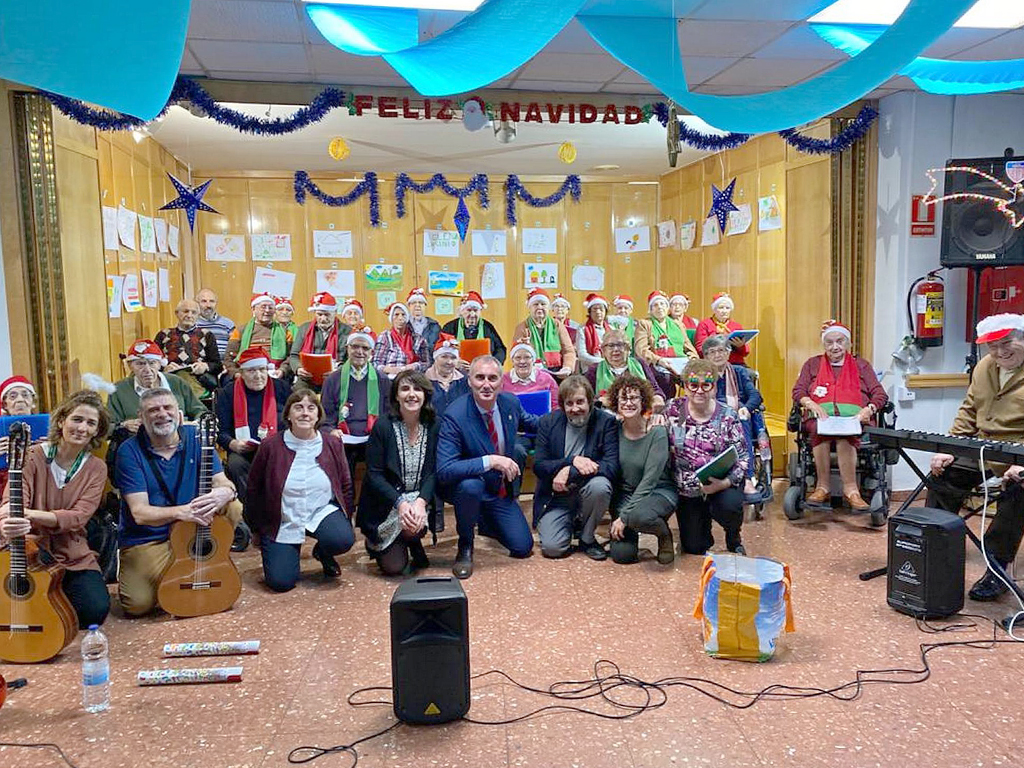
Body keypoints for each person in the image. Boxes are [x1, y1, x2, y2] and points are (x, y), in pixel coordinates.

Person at [114, 388, 241, 616]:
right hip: (150, 537)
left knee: (233, 505)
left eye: (167, 408)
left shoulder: (199, 440)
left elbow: (223, 482)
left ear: (179, 414)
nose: (162, 414)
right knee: (137, 605)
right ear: (141, 417)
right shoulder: (128, 451)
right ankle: (181, 570)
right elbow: (140, 513)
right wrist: (183, 511)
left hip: (193, 531)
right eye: (153, 410)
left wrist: (227, 491)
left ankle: (209, 560)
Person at [926, 314, 1024, 602]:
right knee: (944, 476)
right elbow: (969, 411)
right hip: (984, 447)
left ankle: (997, 569)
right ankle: (934, 553)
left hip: (1020, 451)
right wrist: (949, 448)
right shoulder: (984, 367)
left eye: (1007, 343)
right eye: (992, 346)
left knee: (1018, 490)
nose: (1000, 352)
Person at [0, 390, 111, 628]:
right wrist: (7, 518)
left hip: (71, 552)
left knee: (94, 611)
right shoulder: (31, 455)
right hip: (29, 548)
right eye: (77, 419)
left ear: (96, 431)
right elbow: (12, 500)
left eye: (91, 423)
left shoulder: (96, 468)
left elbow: (79, 517)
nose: (82, 427)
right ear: (61, 421)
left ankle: (49, 603)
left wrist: (29, 514)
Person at [437, 355, 538, 579]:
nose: (486, 384)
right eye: (479, 377)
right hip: (466, 488)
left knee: (522, 547)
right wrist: (491, 460)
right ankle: (465, 546)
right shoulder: (455, 415)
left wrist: (571, 416)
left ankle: (485, 519)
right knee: (471, 486)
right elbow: (445, 470)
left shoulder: (509, 402)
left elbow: (534, 423)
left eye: (492, 378)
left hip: (496, 491)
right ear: (469, 381)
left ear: (501, 382)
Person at [246, 390, 355, 591]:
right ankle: (285, 553)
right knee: (281, 582)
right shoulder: (270, 446)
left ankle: (322, 552)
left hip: (320, 511)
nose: (305, 413)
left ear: (318, 415)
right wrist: (256, 529)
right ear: (288, 414)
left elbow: (346, 484)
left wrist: (346, 520)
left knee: (342, 539)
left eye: (311, 408)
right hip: (283, 518)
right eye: (298, 407)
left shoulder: (332, 443)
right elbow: (254, 489)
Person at [792, 320, 887, 511]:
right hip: (821, 419)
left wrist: (868, 410)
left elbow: (880, 394)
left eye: (840, 341)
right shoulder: (813, 364)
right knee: (821, 429)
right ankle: (822, 487)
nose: (835, 347)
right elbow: (799, 390)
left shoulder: (861, 365)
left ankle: (851, 490)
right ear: (823, 344)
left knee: (845, 435)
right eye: (829, 342)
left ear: (848, 343)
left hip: (854, 419)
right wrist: (809, 403)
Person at [357, 370, 439, 576]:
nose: (412, 394)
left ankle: (411, 540)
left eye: (417, 389)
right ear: (396, 396)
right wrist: (400, 504)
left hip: (417, 498)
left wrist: (421, 502)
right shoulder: (383, 426)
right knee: (394, 569)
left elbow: (434, 471)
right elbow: (374, 474)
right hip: (387, 502)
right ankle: (378, 543)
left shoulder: (434, 425)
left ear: (425, 394)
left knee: (414, 525)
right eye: (405, 389)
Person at [666, 359, 749, 555]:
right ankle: (701, 524)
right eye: (693, 385)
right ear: (685, 387)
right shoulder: (673, 409)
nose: (699, 391)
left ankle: (732, 534)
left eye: (706, 385)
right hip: (687, 488)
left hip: (721, 483)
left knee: (730, 506)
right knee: (695, 547)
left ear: (714, 387)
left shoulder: (728, 415)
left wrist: (725, 483)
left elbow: (743, 456)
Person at [532, 376, 618, 560]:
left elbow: (611, 466)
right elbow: (539, 466)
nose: (575, 408)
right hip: (557, 495)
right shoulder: (547, 422)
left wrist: (570, 471)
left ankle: (587, 538)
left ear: (591, 401)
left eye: (580, 402)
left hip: (588, 489)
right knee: (552, 549)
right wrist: (572, 460)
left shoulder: (606, 422)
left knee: (601, 486)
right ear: (562, 406)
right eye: (569, 403)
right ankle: (572, 523)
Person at [214, 348, 289, 534]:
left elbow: (292, 422)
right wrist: (232, 444)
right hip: (243, 450)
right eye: (251, 371)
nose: (258, 375)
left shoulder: (281, 388)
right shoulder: (228, 393)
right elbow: (220, 432)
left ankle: (280, 513)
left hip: (277, 448)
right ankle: (253, 515)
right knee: (236, 465)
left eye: (262, 370)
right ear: (241, 373)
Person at [606, 375, 678, 565]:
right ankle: (631, 526)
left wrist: (624, 517)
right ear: (616, 402)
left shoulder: (657, 431)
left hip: (658, 491)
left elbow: (650, 479)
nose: (628, 403)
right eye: (624, 398)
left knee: (639, 517)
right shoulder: (613, 430)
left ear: (643, 400)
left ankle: (664, 536)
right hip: (627, 494)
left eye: (634, 398)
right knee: (623, 556)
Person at [322, 329, 393, 478]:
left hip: (373, 437)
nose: (359, 352)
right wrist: (331, 430)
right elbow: (324, 415)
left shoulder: (382, 380)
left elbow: (389, 414)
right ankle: (344, 500)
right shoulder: (333, 379)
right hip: (342, 437)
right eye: (354, 347)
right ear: (347, 348)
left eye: (365, 348)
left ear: (371, 352)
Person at [108, 339, 206, 442]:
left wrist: (192, 425)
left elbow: (201, 412)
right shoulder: (119, 390)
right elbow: (107, 426)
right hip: (139, 446)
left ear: (160, 364)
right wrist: (124, 425)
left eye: (152, 363)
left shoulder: (177, 383)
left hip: (180, 440)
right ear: (130, 366)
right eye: (140, 364)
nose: (147, 369)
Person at [703, 334, 764, 500]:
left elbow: (755, 395)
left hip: (737, 414)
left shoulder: (739, 372)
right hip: (710, 414)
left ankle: (747, 477)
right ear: (705, 356)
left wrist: (746, 408)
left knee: (742, 419)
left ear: (728, 353)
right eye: (712, 352)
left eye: (722, 350)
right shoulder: (702, 375)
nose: (717, 355)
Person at [634, 289, 699, 396]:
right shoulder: (645, 324)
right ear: (650, 309)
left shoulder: (678, 324)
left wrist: (693, 360)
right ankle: (668, 407)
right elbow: (641, 350)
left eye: (662, 304)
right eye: (655, 305)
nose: (660, 307)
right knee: (665, 378)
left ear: (667, 307)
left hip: (680, 363)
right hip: (658, 364)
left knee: (699, 376)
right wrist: (659, 360)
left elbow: (689, 348)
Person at [155, 298, 223, 397]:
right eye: (185, 311)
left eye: (194, 312)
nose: (189, 315)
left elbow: (217, 365)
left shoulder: (206, 335)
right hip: (169, 378)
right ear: (177, 313)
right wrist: (164, 368)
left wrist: (205, 366)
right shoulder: (163, 334)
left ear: (198, 316)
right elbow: (153, 360)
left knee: (184, 377)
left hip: (196, 378)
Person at [583, 329, 666, 410]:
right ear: (603, 351)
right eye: (611, 346)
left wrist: (658, 398)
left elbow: (655, 389)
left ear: (628, 348)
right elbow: (585, 398)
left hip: (639, 413)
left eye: (620, 345)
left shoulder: (640, 364)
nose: (615, 349)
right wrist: (600, 401)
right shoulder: (595, 369)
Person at [288, 291, 351, 391]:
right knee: (297, 397)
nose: (323, 319)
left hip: (336, 378)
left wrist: (338, 371)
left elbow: (350, 360)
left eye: (327, 314)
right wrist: (299, 369)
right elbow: (294, 355)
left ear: (335, 313)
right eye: (319, 314)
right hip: (307, 378)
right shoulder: (304, 328)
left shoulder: (347, 331)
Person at [224, 293, 293, 379]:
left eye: (270, 308)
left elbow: (292, 356)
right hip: (246, 371)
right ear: (253, 309)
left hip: (274, 372)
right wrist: (236, 374)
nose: (267, 310)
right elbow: (228, 357)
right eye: (263, 307)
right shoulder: (240, 331)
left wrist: (282, 370)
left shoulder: (285, 331)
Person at [511, 288, 576, 377]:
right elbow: (516, 354)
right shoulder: (522, 327)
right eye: (536, 304)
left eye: (543, 304)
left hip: (557, 372)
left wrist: (567, 367)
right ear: (529, 308)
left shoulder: (558, 325)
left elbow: (568, 351)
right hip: (532, 373)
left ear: (548, 308)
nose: (540, 307)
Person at [441, 291, 507, 371]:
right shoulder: (450, 327)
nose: (472, 314)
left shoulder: (487, 327)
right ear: (461, 312)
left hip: (483, 371)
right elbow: (440, 351)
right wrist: (453, 362)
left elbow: (500, 350)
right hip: (456, 371)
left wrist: (490, 364)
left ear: (480, 312)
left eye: (475, 310)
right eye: (469, 310)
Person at [0, 376, 39, 494]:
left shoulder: (51, 426)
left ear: (33, 402)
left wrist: (50, 449)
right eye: (13, 396)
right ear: (5, 404)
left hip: (38, 482)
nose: (20, 400)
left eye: (25, 395)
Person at [373, 301, 430, 377]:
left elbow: (426, 363)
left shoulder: (418, 339)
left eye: (403, 315)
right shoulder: (384, 337)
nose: (400, 318)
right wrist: (390, 369)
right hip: (390, 378)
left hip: (413, 377)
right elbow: (376, 363)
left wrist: (415, 366)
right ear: (391, 318)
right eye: (396, 315)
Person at [501, 338, 560, 412]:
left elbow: (556, 406)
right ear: (512, 361)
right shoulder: (502, 380)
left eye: (527, 357)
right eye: (518, 358)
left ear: (533, 360)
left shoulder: (546, 379)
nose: (522, 361)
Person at [694, 293, 750, 367]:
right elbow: (701, 349)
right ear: (714, 309)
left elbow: (745, 352)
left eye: (727, 308)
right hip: (713, 362)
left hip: (735, 363)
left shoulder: (736, 326)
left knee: (748, 374)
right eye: (721, 308)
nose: (724, 311)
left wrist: (740, 346)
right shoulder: (705, 324)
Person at [426, 334, 469, 417]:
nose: (449, 362)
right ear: (435, 358)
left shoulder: (464, 381)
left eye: (453, 358)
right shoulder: (424, 381)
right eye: (444, 357)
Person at [195, 288, 236, 361]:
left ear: (216, 303)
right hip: (199, 366)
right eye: (204, 301)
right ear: (197, 304)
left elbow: (235, 348)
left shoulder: (228, 324)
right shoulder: (192, 324)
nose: (208, 305)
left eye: (212, 301)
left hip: (224, 366)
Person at [406, 288, 442, 364]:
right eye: (413, 303)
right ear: (409, 306)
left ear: (425, 305)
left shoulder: (434, 326)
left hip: (430, 365)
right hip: (408, 365)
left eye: (421, 303)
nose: (417, 305)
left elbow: (439, 348)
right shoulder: (404, 325)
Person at [577, 293, 612, 369]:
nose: (598, 312)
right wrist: (602, 362)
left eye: (601, 309)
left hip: (610, 367)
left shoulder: (612, 329)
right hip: (591, 369)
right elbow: (582, 355)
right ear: (590, 312)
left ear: (605, 311)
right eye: (595, 309)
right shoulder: (582, 329)